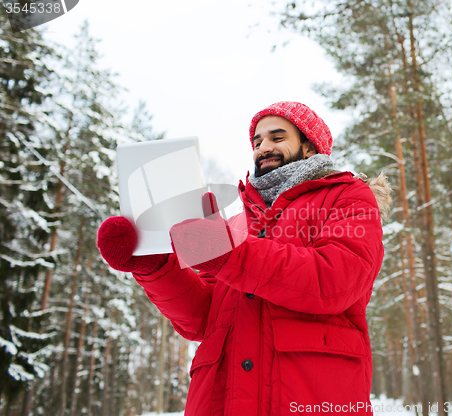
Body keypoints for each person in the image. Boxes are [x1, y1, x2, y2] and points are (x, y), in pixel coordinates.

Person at [97, 101, 391, 416]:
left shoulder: (347, 197)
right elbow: (203, 319)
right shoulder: (238, 220)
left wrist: (229, 254)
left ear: (309, 146)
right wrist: (155, 266)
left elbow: (335, 281)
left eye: (277, 138)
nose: (264, 147)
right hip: (223, 401)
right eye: (257, 141)